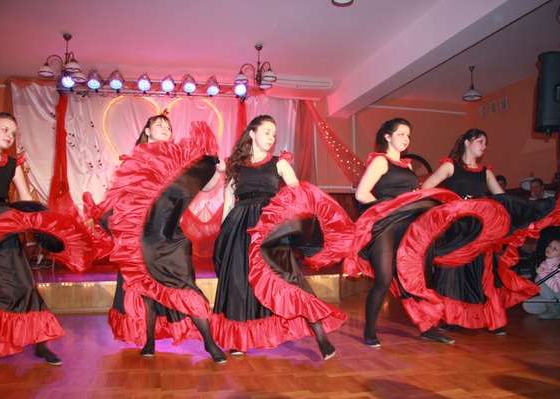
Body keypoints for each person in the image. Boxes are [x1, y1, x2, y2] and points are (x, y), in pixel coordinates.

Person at [0, 112, 91, 369]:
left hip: (2, 227)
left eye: (13, 132)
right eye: (5, 129)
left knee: (22, 285)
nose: (9, 136)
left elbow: (24, 198)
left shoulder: (12, 163)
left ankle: (41, 345)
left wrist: (42, 224)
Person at [211, 115, 344, 360]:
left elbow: (298, 195)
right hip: (239, 228)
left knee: (289, 279)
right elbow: (228, 202)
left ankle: (321, 337)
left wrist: (294, 224)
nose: (271, 137)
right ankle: (240, 339)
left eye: (274, 133)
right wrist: (223, 236)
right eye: (267, 131)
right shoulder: (235, 166)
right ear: (252, 133)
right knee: (239, 283)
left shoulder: (280, 163)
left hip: (270, 229)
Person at [97, 115, 227, 363]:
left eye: (168, 126)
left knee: (186, 287)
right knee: (147, 290)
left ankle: (210, 344)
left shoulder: (179, 159)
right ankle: (149, 341)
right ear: (147, 131)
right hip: (144, 238)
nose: (165, 128)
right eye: (159, 125)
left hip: (172, 237)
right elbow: (120, 198)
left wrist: (217, 172)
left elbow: (205, 186)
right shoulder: (137, 160)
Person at [353, 118, 454, 346]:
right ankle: (370, 331)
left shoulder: (407, 166)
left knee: (417, 278)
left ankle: (428, 327)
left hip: (408, 225)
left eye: (408, 135)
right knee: (384, 279)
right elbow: (361, 194)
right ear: (387, 137)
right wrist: (387, 209)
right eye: (401, 134)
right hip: (385, 225)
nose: (406, 139)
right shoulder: (380, 161)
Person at [421, 128, 507, 335]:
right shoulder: (450, 166)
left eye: (485, 142)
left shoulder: (486, 172)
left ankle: (487, 319)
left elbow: (502, 198)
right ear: (467, 142)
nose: (484, 145)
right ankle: (451, 318)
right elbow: (427, 187)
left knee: (480, 273)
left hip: (478, 229)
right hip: (456, 228)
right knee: (452, 273)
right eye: (480, 141)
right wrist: (448, 206)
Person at [522, 238, 560, 319]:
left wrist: (542, 273)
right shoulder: (545, 263)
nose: (550, 248)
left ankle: (554, 311)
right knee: (527, 305)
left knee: (539, 279)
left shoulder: (559, 266)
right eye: (549, 245)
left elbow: (556, 288)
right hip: (556, 299)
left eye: (555, 248)